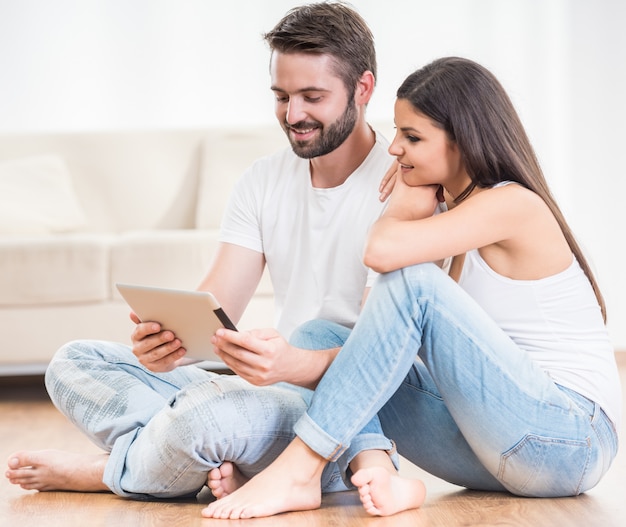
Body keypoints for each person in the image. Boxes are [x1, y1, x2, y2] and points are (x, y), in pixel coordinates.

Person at [6, 1, 409, 509]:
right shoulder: (262, 180)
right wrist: (172, 344)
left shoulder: (402, 183)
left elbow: (381, 355)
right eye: (282, 96)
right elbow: (217, 313)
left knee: (204, 414)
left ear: (363, 89)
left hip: (342, 416)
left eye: (313, 96)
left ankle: (106, 470)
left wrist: (291, 364)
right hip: (275, 391)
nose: (293, 115)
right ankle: (185, 456)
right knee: (74, 361)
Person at [201, 56, 622, 520]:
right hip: (501, 448)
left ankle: (298, 470)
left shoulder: (514, 204)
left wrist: (404, 201)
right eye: (398, 132)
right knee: (321, 333)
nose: (395, 149)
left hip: (569, 441)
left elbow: (381, 252)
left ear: (463, 142)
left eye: (413, 137)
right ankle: (378, 470)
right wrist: (303, 362)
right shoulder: (457, 219)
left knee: (412, 282)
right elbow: (389, 355)